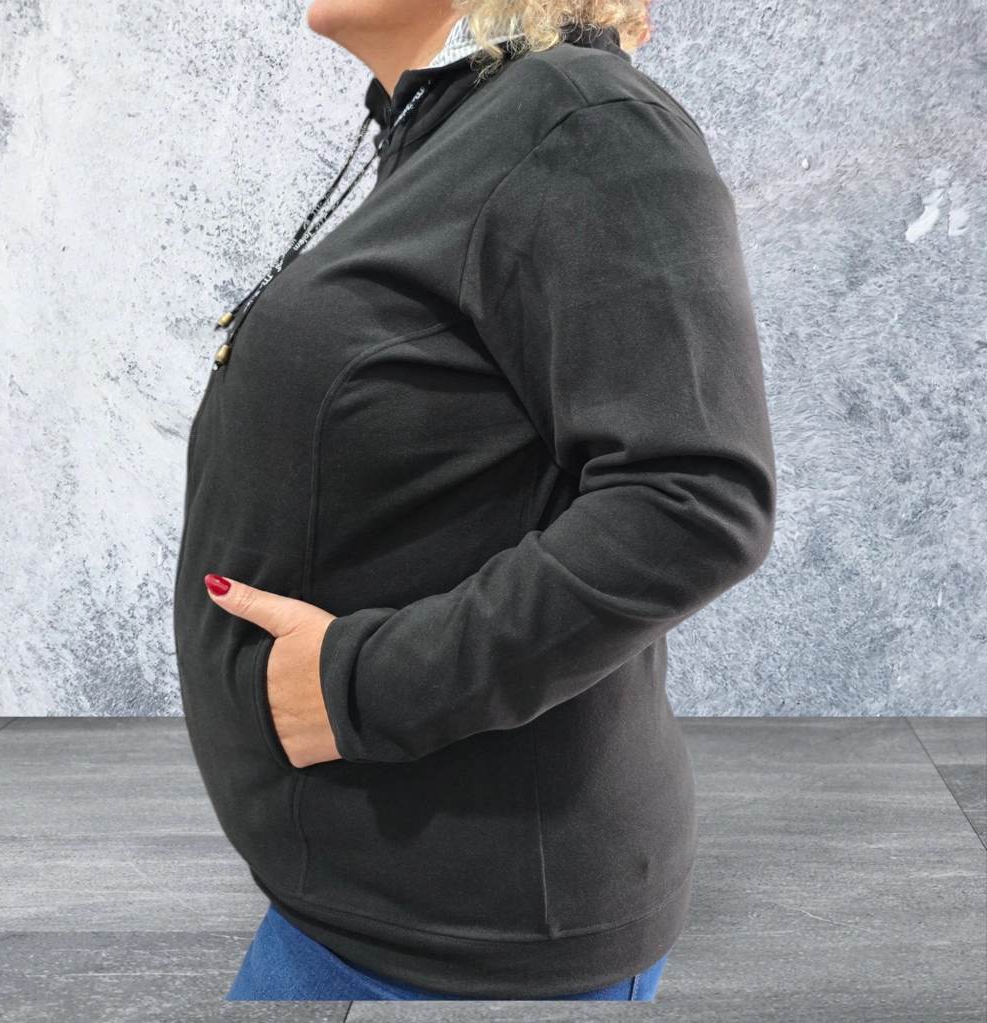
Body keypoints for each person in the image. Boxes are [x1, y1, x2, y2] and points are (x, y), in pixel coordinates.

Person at [172, 0, 777, 1003]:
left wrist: (359, 687)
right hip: (363, 903)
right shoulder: (456, 130)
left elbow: (694, 500)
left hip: (466, 941)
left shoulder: (586, 122)